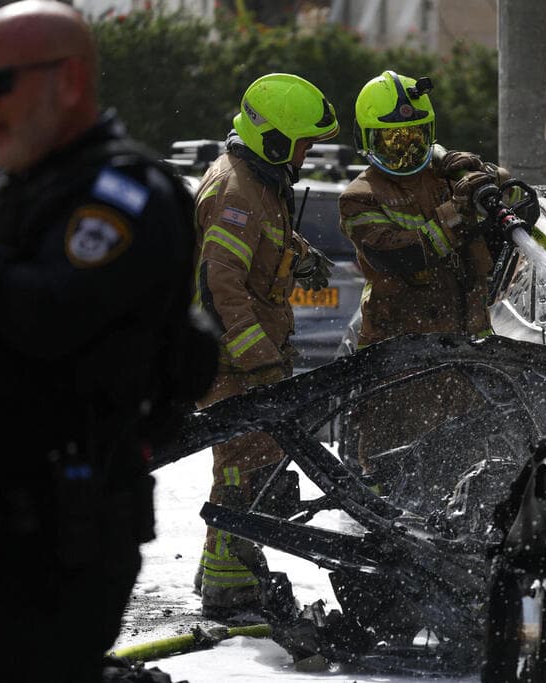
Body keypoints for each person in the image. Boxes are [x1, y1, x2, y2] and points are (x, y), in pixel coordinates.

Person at [0, 1, 211, 680]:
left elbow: (47, 319)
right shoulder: (23, 190)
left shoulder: (122, 193)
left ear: (68, 81)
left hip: (52, 538)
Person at [192, 72, 338, 619]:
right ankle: (228, 590)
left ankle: (224, 564)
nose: (305, 156)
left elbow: (262, 241)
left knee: (254, 463)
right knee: (240, 468)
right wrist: (260, 361)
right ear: (272, 139)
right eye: (301, 144)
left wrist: (296, 253)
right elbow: (219, 284)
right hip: (234, 362)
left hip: (248, 359)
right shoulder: (237, 191)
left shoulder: (260, 179)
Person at [338, 70, 508, 481]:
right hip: (400, 358)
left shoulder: (443, 177)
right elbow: (404, 255)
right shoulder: (359, 197)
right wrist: (458, 209)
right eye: (392, 140)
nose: (404, 150)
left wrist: (480, 171)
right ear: (368, 141)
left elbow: (511, 199)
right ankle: (377, 532)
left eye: (414, 137)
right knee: (390, 465)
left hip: (464, 349)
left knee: (462, 464)